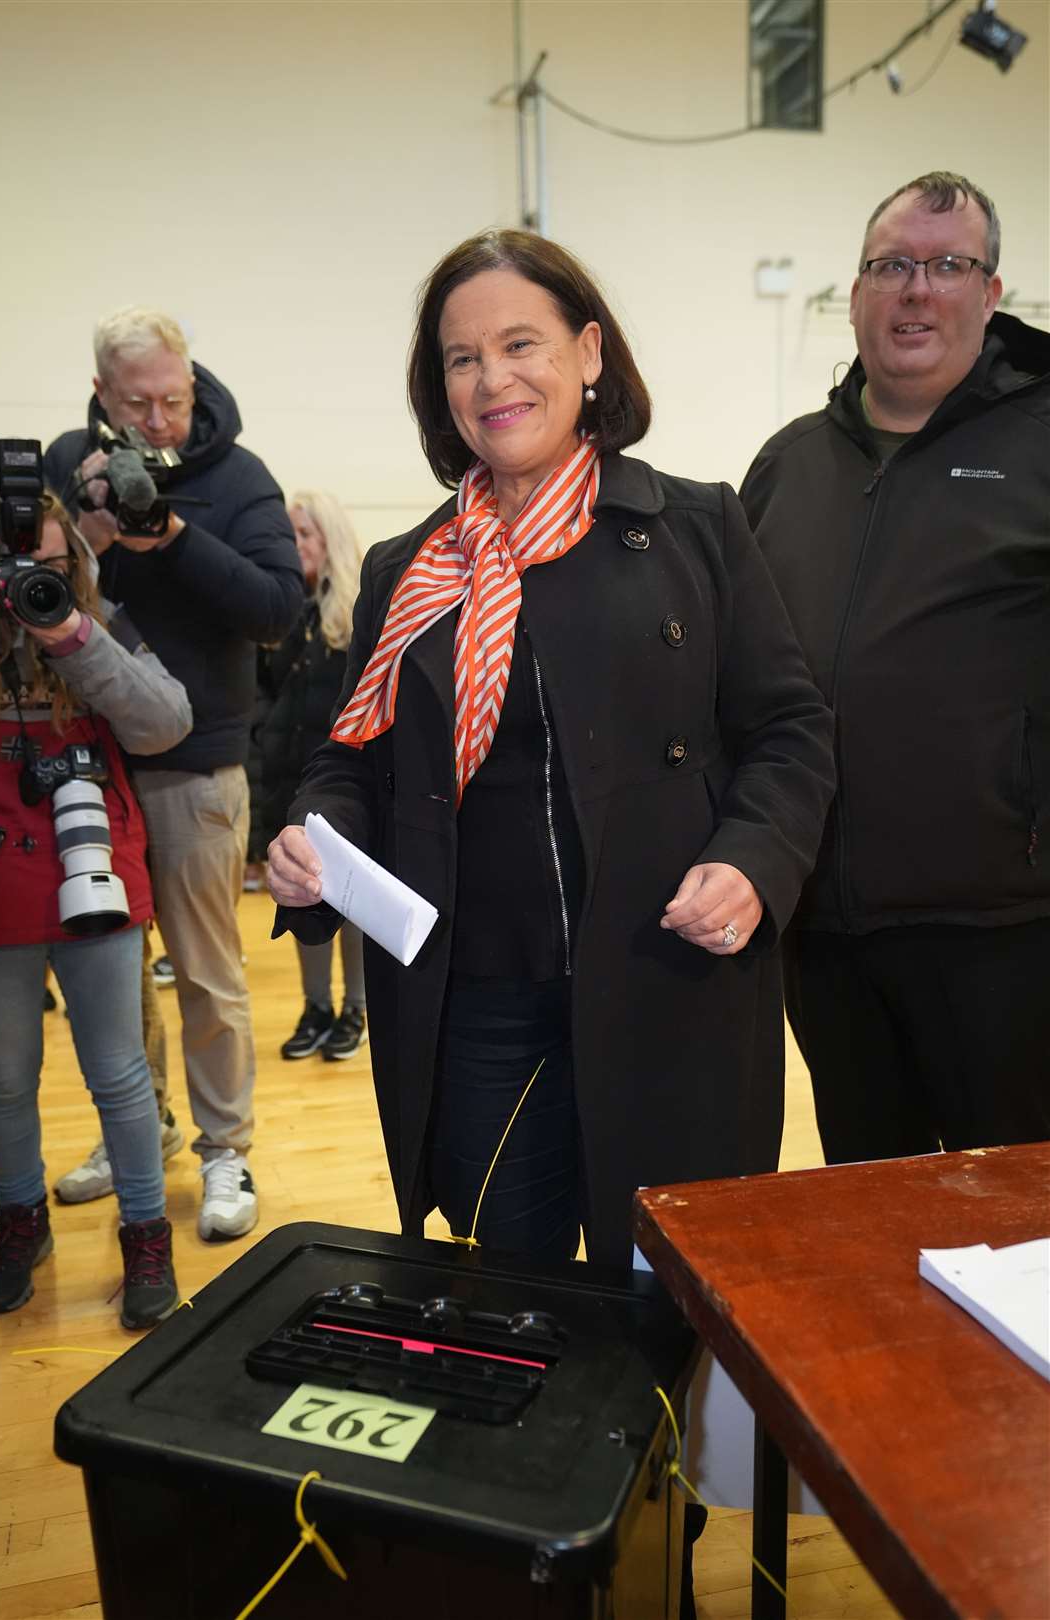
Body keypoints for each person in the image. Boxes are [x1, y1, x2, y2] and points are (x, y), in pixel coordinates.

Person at [267, 230, 835, 1269]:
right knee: (517, 1298)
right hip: (480, 1003)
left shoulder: (694, 530)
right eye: (461, 358)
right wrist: (316, 836)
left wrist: (755, 861)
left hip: (667, 981)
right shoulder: (411, 568)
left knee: (680, 1293)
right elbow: (350, 760)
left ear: (588, 352)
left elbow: (790, 732)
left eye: (521, 343)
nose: (494, 379)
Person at [740, 171, 1050, 1164]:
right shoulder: (788, 465)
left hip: (1002, 934)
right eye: (892, 266)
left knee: (1014, 1223)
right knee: (865, 1203)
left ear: (992, 293)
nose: (917, 290)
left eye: (949, 265)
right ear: (859, 290)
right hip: (822, 934)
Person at [44, 308, 304, 1240]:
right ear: (105, 396)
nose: (159, 419)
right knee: (107, 969)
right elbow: (28, 592)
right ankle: (134, 1132)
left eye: (173, 397)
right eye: (138, 403)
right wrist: (87, 539)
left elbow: (280, 609)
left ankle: (226, 1151)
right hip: (90, 761)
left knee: (206, 973)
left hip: (197, 765)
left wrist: (178, 540)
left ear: (192, 383)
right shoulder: (69, 460)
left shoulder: (241, 478)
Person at [0, 489, 191, 1328]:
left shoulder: (99, 622)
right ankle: (21, 1222)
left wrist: (72, 635)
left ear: (76, 564)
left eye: (52, 567)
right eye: (14, 567)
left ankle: (145, 1235)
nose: (34, 579)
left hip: (91, 859)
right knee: (1, 1074)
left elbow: (167, 722)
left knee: (121, 1071)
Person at [264, 492, 367, 1061]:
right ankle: (316, 1005)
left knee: (347, 899)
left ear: (329, 539)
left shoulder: (356, 616)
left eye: (305, 534)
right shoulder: (288, 615)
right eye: (290, 535)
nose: (295, 546)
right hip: (292, 780)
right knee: (298, 892)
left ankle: (355, 1006)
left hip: (342, 785)